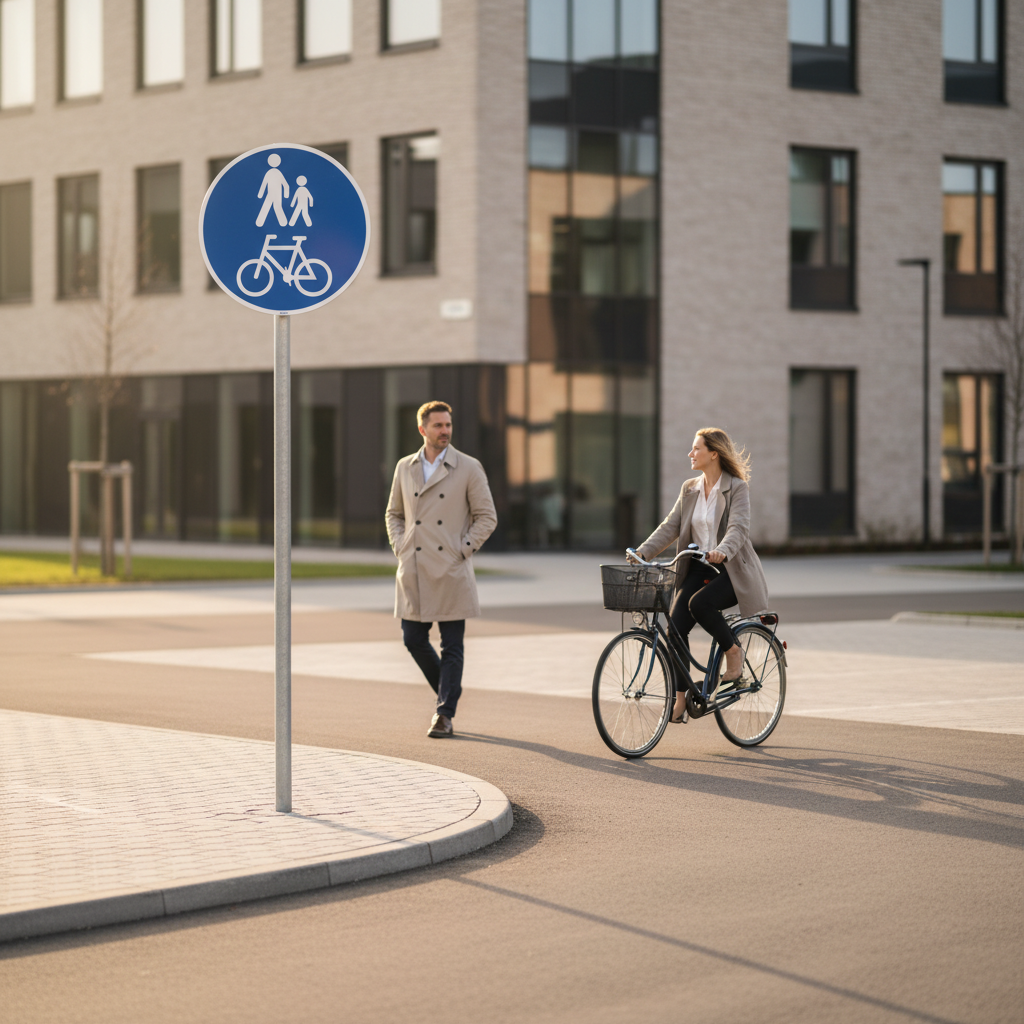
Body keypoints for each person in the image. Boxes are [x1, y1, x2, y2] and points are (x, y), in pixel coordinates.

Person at [633, 427, 769, 724]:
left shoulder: (737, 487)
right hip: (696, 567)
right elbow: (671, 526)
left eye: (696, 449)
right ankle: (681, 699)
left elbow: (739, 527)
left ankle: (733, 652)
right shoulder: (690, 488)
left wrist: (722, 549)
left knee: (700, 604)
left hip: (730, 570)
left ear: (713, 454)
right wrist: (642, 553)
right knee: (674, 630)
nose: (690, 454)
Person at [386, 401, 498, 737]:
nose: (445, 431)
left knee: (452, 645)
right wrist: (401, 547)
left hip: (450, 569)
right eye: (438, 426)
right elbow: (394, 513)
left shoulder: (468, 467)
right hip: (415, 569)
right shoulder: (405, 467)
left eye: (448, 425)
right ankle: (449, 692)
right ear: (422, 429)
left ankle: (444, 714)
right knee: (413, 639)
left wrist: (460, 551)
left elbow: (487, 517)